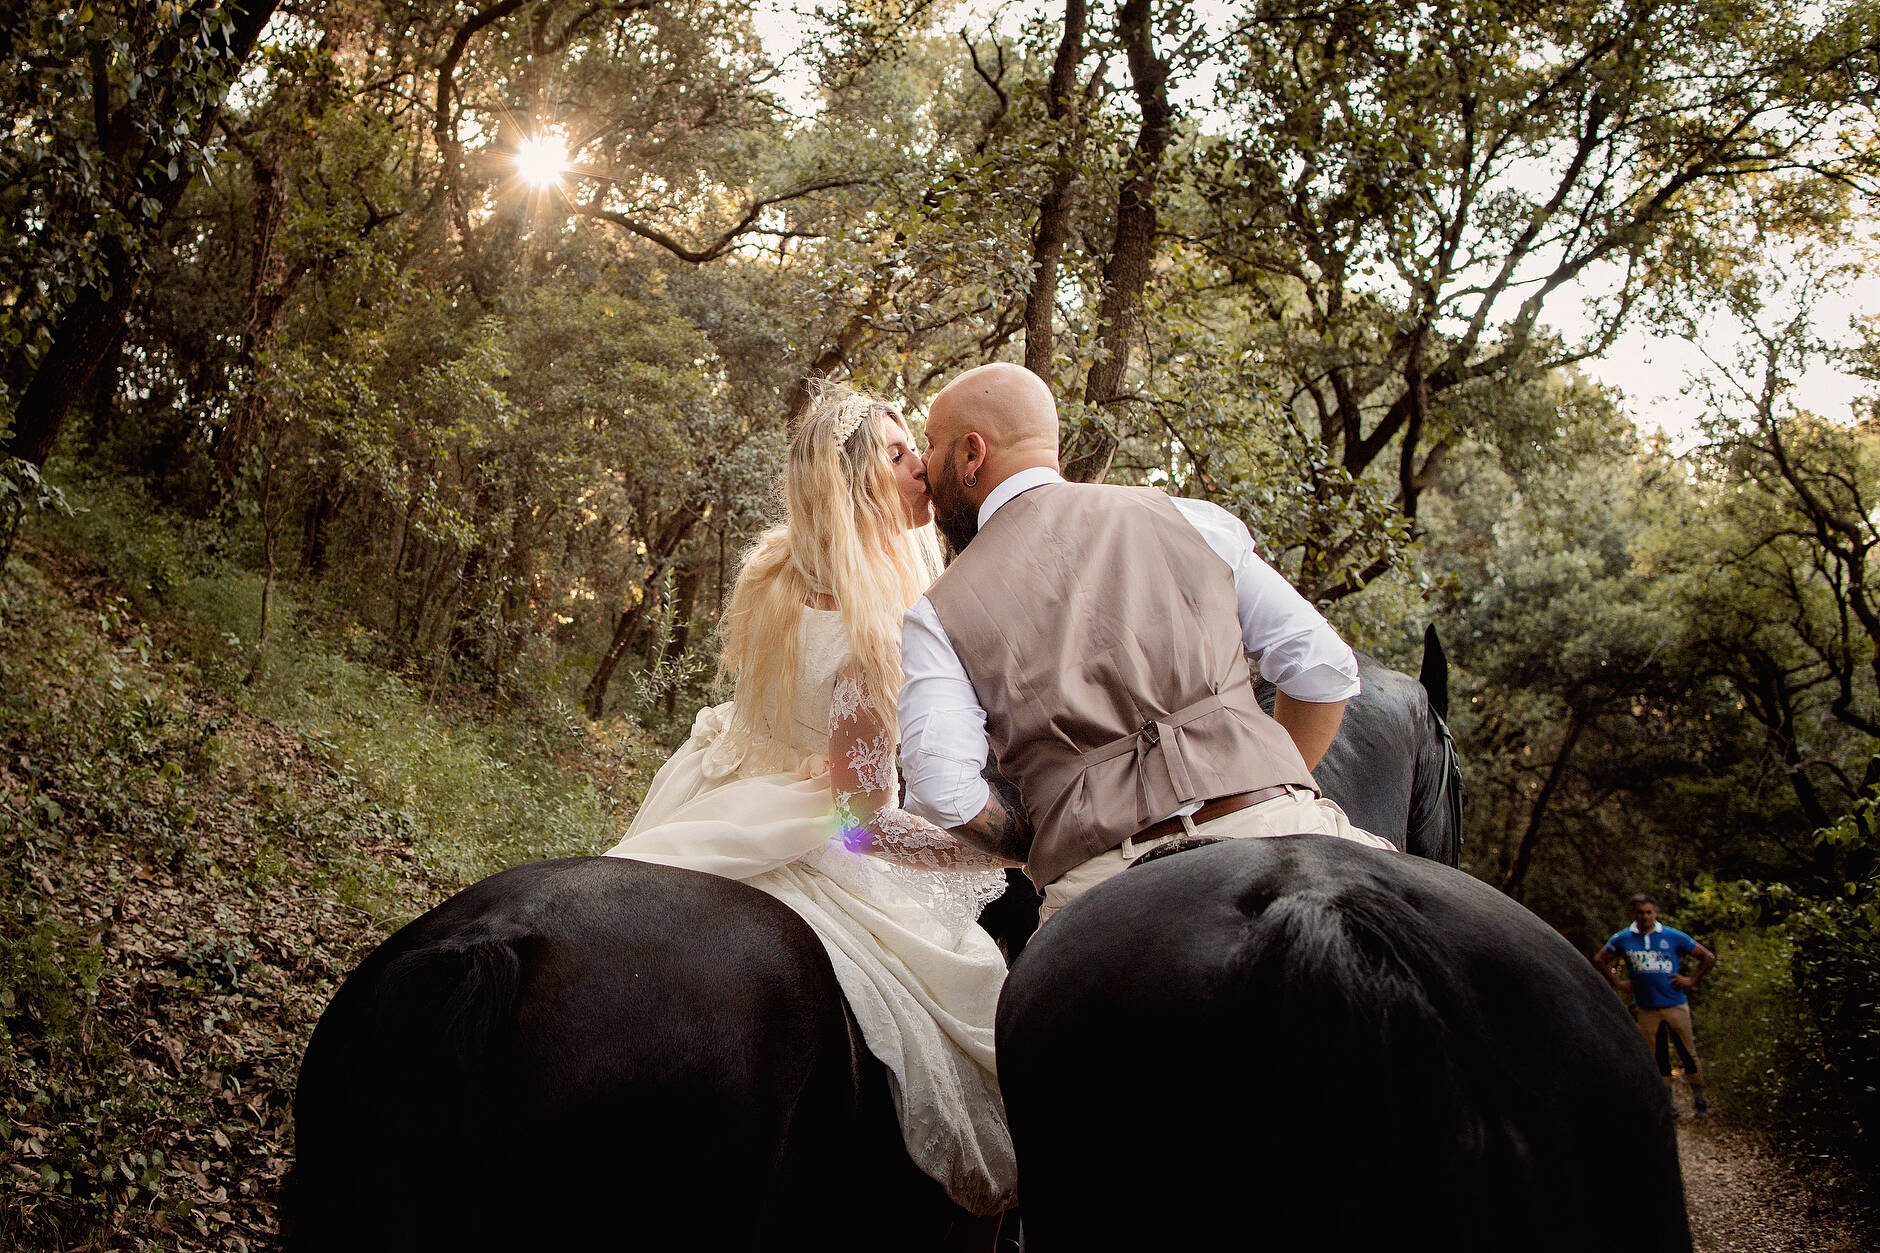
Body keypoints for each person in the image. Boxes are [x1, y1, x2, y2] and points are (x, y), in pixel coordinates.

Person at [602, 384, 1019, 1216]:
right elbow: (859, 820)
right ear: (860, 482)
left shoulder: (777, 571)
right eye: (900, 456)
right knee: (979, 988)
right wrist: (990, 849)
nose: (920, 471)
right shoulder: (876, 622)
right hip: (816, 831)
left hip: (719, 790)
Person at [896, 362, 1396, 926]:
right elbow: (1323, 668)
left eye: (932, 447)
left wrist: (1053, 837)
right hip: (1279, 826)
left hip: (1103, 884)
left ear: (971, 455)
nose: (925, 472)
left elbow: (943, 792)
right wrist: (1259, 780)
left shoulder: (937, 613)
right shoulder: (1190, 519)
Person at [1594, 893, 1716, 1115]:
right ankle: (1668, 1103)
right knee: (1658, 1056)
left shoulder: (1671, 936)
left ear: (1656, 913)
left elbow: (1707, 957)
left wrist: (1691, 980)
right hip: (1646, 1007)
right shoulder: (1623, 938)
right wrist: (1619, 982)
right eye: (1640, 912)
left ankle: (1700, 1101)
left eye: (1649, 912)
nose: (1645, 917)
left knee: (1687, 1053)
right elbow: (1600, 959)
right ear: (1634, 914)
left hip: (1675, 1004)